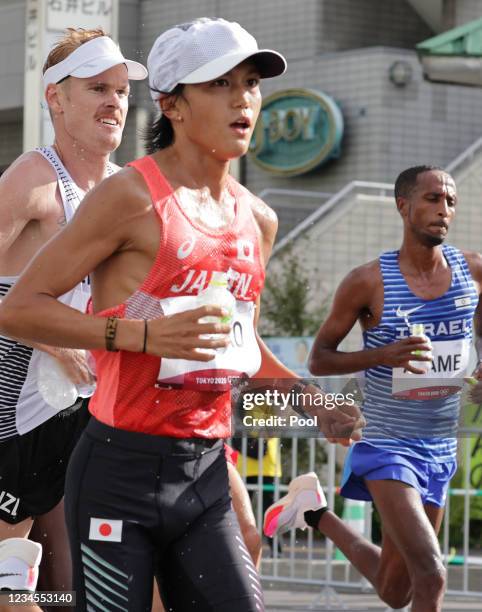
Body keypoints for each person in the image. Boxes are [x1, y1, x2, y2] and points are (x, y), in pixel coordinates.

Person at [0, 18, 363, 611]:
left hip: (204, 470)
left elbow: (238, 345)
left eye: (251, 82)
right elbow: (18, 308)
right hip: (118, 464)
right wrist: (141, 335)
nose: (243, 98)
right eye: (220, 83)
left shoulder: (259, 220)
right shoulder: (128, 197)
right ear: (172, 105)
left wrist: (313, 402)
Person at [263, 166, 482, 612]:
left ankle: (313, 512)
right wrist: (381, 356)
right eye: (433, 199)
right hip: (386, 442)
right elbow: (320, 357)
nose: (444, 210)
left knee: (395, 591)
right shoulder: (368, 281)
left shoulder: (473, 271)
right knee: (432, 574)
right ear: (403, 206)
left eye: (451, 202)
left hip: (439, 446)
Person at [0, 27, 146, 608]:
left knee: (111, 574)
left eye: (121, 90)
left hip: (95, 403)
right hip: (18, 410)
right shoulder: (34, 180)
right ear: (56, 100)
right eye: (97, 89)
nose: (114, 102)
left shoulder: (124, 190)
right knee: (26, 582)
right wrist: (53, 336)